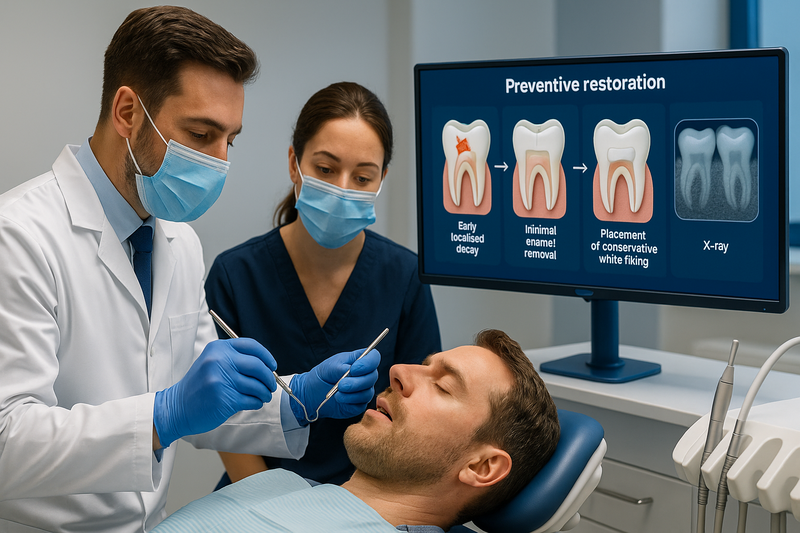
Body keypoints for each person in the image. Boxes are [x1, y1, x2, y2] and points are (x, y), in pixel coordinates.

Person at [0, 7, 381, 532]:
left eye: (231, 139)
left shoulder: (177, 242)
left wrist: (296, 400)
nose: (221, 161)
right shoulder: (17, 236)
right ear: (128, 112)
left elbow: (206, 399)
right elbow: (7, 444)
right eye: (202, 135)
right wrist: (163, 415)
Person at [205, 81, 441, 487]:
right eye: (326, 169)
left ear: (382, 179)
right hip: (255, 493)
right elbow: (224, 419)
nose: (341, 189)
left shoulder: (404, 277)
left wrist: (352, 512)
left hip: (368, 496)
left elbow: (416, 416)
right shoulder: (235, 275)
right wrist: (267, 511)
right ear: (295, 163)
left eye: (363, 177)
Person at [152, 329, 560, 532]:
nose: (398, 370)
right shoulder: (277, 483)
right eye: (423, 363)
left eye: (443, 385)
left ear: (483, 466)